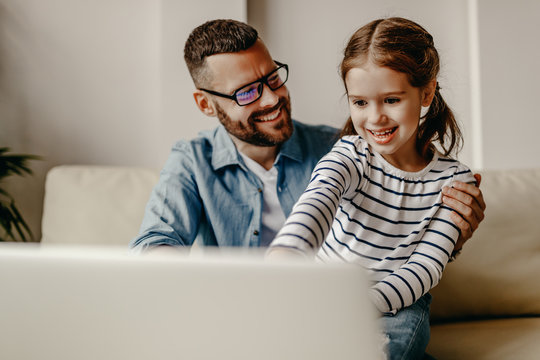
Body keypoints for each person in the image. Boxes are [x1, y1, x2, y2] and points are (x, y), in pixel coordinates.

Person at [129, 19, 484, 259]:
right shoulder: (192, 162)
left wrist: (451, 230)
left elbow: (396, 230)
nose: (271, 98)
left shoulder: (342, 148)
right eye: (247, 92)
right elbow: (153, 244)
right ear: (206, 104)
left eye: (272, 78)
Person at [266, 17, 478, 359]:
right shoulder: (350, 154)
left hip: (399, 301)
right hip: (326, 290)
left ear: (426, 92)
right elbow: (317, 202)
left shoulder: (454, 182)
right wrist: (285, 258)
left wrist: (358, 307)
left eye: (391, 100)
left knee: (388, 347)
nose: (375, 117)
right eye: (360, 102)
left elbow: (424, 269)